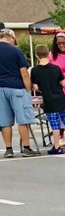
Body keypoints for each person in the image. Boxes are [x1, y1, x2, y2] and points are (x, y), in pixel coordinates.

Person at [29, 45, 65, 154]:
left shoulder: (35, 71)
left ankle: (57, 147)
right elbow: (64, 84)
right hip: (62, 99)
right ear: (48, 54)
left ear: (36, 55)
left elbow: (36, 87)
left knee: (55, 125)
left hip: (49, 101)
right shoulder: (56, 68)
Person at [0, 26, 39, 157]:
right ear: (11, 37)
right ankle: (26, 147)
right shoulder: (16, 51)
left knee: (5, 121)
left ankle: (8, 149)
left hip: (1, 89)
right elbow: (24, 73)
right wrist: (28, 89)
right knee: (22, 119)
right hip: (16, 87)